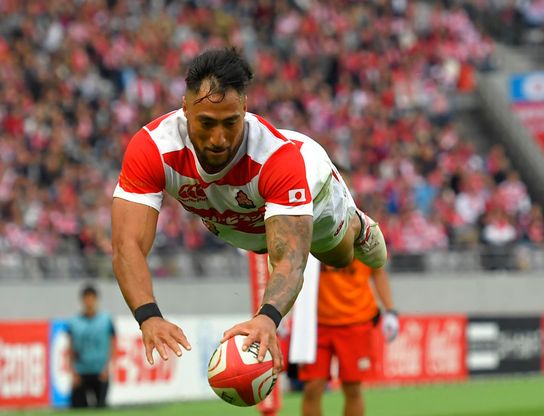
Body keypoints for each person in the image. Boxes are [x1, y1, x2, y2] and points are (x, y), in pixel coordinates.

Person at [111, 48, 388, 373]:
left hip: (311, 186)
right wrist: (148, 315)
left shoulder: (278, 160)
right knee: (258, 240)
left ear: (245, 108)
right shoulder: (152, 148)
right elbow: (127, 244)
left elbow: (290, 259)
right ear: (185, 108)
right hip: (235, 220)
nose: (219, 138)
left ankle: (357, 225)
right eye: (206, 123)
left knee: (338, 258)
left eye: (231, 123)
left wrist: (267, 317)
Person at [299, 259, 399, 416]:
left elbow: (378, 271)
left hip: (356, 322)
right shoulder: (309, 236)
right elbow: (290, 271)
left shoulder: (366, 235)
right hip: (315, 324)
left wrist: (390, 310)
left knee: (352, 387)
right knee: (312, 386)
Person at [67, 284, 116, 408]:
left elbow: (113, 343)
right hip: (81, 370)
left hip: (100, 371)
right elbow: (70, 348)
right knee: (78, 408)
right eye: (86, 298)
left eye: (91, 298)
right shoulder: (74, 322)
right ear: (82, 300)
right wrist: (73, 371)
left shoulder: (105, 320)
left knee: (100, 407)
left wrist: (108, 367)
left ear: (96, 300)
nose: (89, 302)